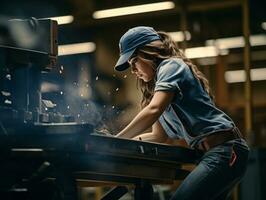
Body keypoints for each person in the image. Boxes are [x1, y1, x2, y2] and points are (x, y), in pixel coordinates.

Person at [114, 26, 250, 200]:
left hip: (225, 150)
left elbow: (153, 110)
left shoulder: (171, 66)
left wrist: (116, 141)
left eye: (134, 62)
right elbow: (158, 136)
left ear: (149, 52)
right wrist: (123, 144)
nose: (133, 71)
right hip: (213, 153)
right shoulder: (158, 87)